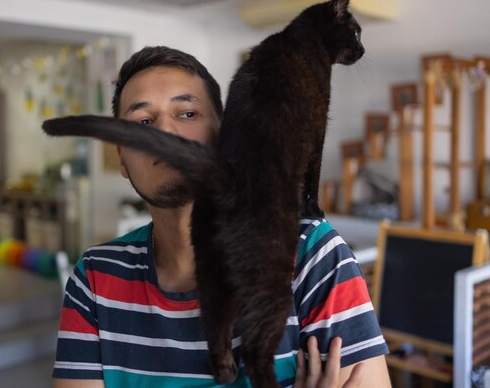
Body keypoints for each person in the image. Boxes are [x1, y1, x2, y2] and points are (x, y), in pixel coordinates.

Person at [52, 46, 391, 388]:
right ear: (122, 157)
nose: (165, 134)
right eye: (142, 122)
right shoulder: (95, 278)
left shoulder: (309, 254)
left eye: (187, 114)